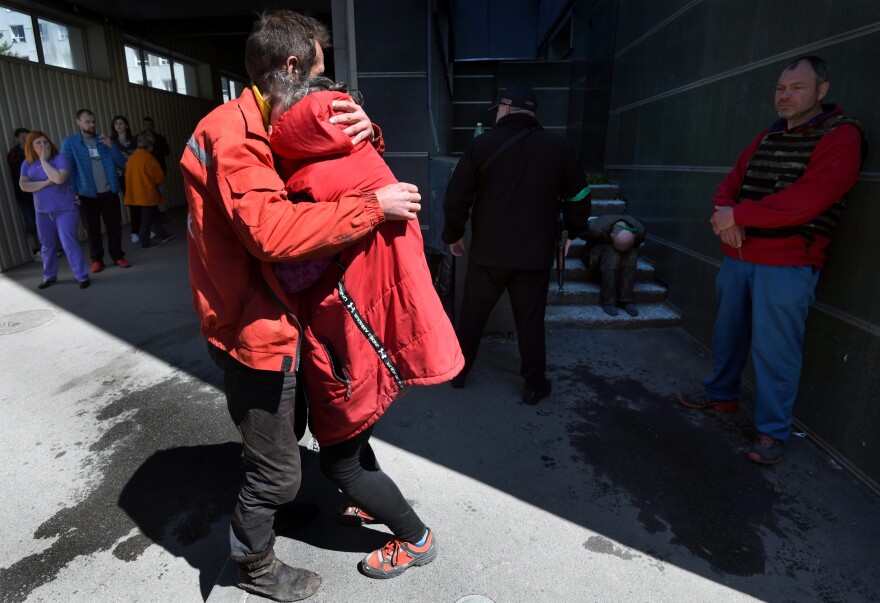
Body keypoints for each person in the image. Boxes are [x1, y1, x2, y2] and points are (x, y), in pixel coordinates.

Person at [181, 10, 423, 602]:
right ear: (290, 66)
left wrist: (368, 132)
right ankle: (256, 569)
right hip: (254, 332)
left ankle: (275, 510)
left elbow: (323, 159)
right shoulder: (235, 136)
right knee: (276, 470)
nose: (324, 84)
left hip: (277, 320)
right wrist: (374, 206)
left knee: (286, 441)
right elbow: (270, 231)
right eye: (319, 69)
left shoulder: (267, 120)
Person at [266, 72, 462, 579]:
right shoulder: (353, 149)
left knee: (338, 462)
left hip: (354, 332)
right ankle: (376, 502)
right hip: (374, 322)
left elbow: (294, 264)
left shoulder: (310, 177)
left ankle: (415, 539)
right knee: (354, 433)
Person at [678, 56, 867, 465]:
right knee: (727, 334)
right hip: (738, 255)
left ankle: (772, 431)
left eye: (797, 87)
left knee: (776, 349)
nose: (785, 95)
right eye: (781, 88)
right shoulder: (768, 136)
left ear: (822, 91)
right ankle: (720, 395)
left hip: (787, 263)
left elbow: (809, 200)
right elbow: (730, 184)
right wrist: (725, 216)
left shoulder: (842, 136)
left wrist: (739, 215)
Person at [442, 84, 592, 404]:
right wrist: (573, 232)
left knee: (472, 315)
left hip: (488, 253)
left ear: (506, 109)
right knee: (530, 321)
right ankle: (534, 385)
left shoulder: (483, 145)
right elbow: (579, 193)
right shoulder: (558, 147)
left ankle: (459, 373)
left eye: (497, 109)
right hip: (534, 256)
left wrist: (452, 233)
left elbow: (457, 194)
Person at [60, 109, 131, 272]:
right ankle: (97, 259)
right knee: (92, 229)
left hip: (109, 192)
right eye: (87, 122)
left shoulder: (103, 140)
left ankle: (118, 256)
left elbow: (121, 162)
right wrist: (74, 192)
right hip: (86, 195)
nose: (92, 125)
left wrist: (111, 145)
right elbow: (67, 169)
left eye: (93, 121)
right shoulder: (70, 142)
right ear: (78, 122)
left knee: (114, 227)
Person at [18, 131, 89, 289]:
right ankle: (49, 276)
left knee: (68, 242)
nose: (44, 145)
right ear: (31, 146)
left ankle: (82, 276)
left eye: (46, 141)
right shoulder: (27, 163)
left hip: (65, 209)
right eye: (39, 143)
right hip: (42, 212)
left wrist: (44, 161)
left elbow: (59, 178)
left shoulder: (60, 159)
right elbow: (24, 186)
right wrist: (45, 183)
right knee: (47, 245)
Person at [584, 214, 646, 317]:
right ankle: (609, 301)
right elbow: (585, 239)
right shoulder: (596, 228)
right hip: (598, 251)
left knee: (631, 254)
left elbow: (636, 245)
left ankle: (626, 299)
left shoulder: (640, 231)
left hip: (623, 247)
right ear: (611, 235)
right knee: (612, 254)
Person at [125, 133, 172, 248]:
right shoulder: (149, 158)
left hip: (135, 194)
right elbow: (159, 177)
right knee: (146, 219)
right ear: (150, 146)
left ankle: (164, 234)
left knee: (154, 214)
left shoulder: (131, 158)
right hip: (148, 193)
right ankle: (145, 241)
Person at [7, 127, 41, 261]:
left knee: (42, 221)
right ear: (17, 138)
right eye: (23, 137)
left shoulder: (34, 150)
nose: (26, 140)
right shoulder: (13, 154)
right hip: (24, 195)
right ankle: (36, 252)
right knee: (30, 223)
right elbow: (17, 172)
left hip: (38, 192)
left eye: (28, 137)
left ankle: (48, 249)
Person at [109, 115, 143, 243]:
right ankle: (134, 231)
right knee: (126, 203)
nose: (118, 125)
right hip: (118, 176)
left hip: (134, 175)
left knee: (137, 202)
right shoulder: (110, 142)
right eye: (116, 123)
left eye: (121, 123)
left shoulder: (134, 141)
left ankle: (137, 230)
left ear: (126, 126)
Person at [139, 116, 170, 218]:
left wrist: (155, 149)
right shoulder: (139, 138)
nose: (147, 127)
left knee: (160, 193)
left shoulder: (160, 138)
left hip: (159, 170)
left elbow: (167, 151)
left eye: (149, 125)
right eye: (145, 124)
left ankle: (162, 214)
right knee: (148, 195)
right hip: (145, 173)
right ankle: (153, 217)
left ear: (153, 126)